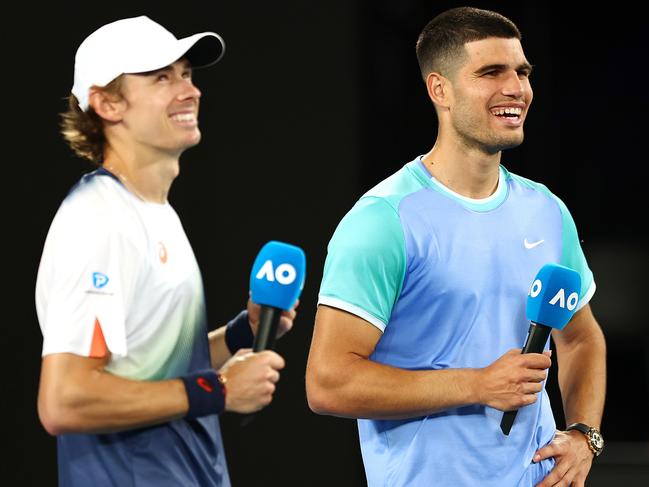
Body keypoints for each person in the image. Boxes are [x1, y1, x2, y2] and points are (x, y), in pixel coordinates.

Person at [306, 7, 606, 487]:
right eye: (491, 72)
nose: (516, 88)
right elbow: (328, 382)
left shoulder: (546, 210)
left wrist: (585, 434)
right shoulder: (384, 220)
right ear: (439, 89)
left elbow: (581, 337)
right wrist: (478, 385)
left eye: (522, 72)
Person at [35, 16, 296, 486]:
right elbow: (64, 400)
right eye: (161, 78)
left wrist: (243, 332)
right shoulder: (97, 218)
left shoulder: (154, 213)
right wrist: (215, 390)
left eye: (187, 74)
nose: (188, 90)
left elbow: (156, 367)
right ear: (108, 103)